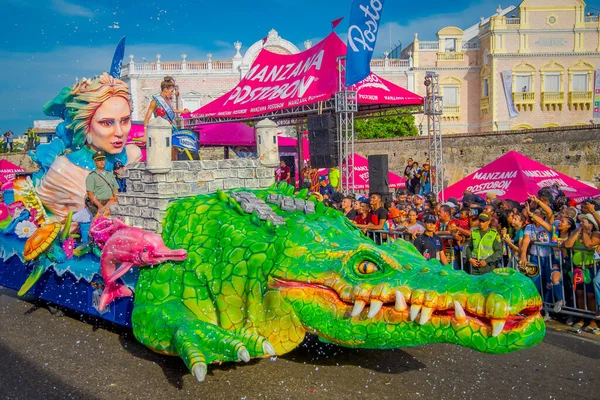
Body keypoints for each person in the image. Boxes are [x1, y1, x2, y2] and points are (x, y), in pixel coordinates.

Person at [36, 73, 142, 222]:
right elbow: (52, 226)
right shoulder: (64, 170)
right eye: (107, 123)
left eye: (125, 121)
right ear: (86, 126)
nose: (119, 132)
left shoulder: (132, 156)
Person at [142, 77, 190, 142]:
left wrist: (182, 111)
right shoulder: (155, 101)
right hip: (160, 130)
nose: (172, 93)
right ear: (165, 90)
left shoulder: (168, 100)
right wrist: (145, 135)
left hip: (170, 129)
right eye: (172, 91)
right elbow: (147, 118)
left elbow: (170, 110)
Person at [86, 151, 119, 216]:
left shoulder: (110, 175)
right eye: (99, 160)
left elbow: (115, 189)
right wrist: (99, 205)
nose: (102, 162)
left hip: (110, 204)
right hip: (98, 205)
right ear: (95, 162)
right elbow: (90, 194)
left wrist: (116, 200)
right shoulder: (92, 176)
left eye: (103, 160)